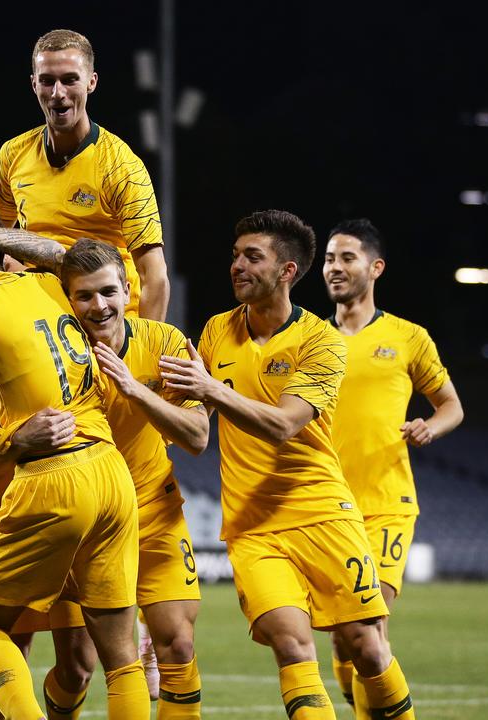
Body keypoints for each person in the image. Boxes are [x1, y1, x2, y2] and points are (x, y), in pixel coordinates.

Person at [0, 230, 208, 718]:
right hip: (109, 482)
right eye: (84, 294)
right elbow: (61, 255)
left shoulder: (158, 342)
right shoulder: (48, 296)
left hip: (89, 493)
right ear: (68, 293)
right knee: (109, 662)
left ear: (127, 290)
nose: (96, 305)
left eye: (108, 292)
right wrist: (17, 439)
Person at [159, 210, 416, 719]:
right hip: (254, 529)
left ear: (287, 271)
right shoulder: (214, 332)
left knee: (365, 645)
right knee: (293, 649)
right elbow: (193, 430)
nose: (237, 266)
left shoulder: (321, 342)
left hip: (323, 513)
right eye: (235, 256)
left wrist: (209, 389)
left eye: (253, 257)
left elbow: (282, 424)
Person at [322, 218, 463, 713]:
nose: (335, 268)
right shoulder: (311, 339)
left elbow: (451, 405)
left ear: (375, 267)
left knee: (368, 630)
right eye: (329, 259)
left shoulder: (408, 337)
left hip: (385, 503)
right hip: (326, 511)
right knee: (345, 640)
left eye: (347, 258)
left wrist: (430, 426)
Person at [0, 29, 170, 321]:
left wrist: (140, 349)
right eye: (47, 81)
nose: (58, 93)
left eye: (70, 80)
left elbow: (154, 277)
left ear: (91, 82)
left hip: (106, 322)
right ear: (34, 84)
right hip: (39, 320)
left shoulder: (121, 166)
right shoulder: (13, 154)